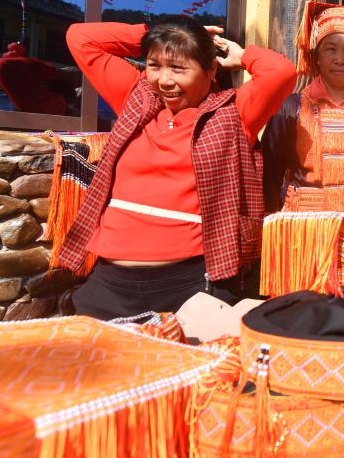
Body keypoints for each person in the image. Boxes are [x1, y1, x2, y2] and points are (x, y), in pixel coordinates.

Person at [60, 17, 297, 320]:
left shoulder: (235, 112)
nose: (164, 80)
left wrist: (240, 56)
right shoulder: (136, 98)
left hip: (189, 284)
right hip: (110, 281)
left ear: (211, 71)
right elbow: (80, 37)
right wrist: (157, 36)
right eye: (154, 65)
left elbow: (282, 71)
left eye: (179, 68)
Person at [261, 1, 344, 219]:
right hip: (305, 229)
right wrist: (270, 225)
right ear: (317, 55)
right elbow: (270, 174)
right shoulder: (292, 107)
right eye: (331, 49)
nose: (340, 59)